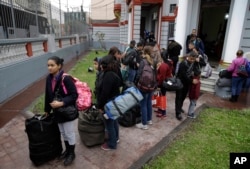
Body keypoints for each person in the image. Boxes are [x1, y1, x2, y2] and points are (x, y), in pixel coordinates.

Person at [44, 56, 78, 166]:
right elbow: (47, 95)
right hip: (57, 112)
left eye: (52, 65)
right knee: (63, 132)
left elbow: (74, 95)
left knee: (69, 133)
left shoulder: (66, 78)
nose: (49, 68)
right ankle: (67, 151)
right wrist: (47, 110)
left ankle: (72, 153)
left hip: (66, 111)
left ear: (59, 66)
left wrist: (62, 102)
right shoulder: (49, 78)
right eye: (48, 65)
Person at [97, 56, 123, 151]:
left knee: (109, 124)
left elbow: (104, 93)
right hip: (114, 101)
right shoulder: (114, 73)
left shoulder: (108, 76)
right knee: (114, 120)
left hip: (108, 103)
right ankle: (116, 138)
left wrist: (100, 106)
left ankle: (112, 144)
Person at [135, 46, 157, 130]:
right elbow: (155, 74)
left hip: (143, 86)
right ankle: (149, 119)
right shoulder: (153, 61)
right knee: (148, 102)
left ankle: (144, 124)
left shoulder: (143, 61)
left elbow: (139, 73)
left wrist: (136, 83)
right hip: (151, 85)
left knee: (143, 104)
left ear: (144, 52)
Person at [175, 52, 198, 120]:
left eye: (193, 59)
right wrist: (191, 81)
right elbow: (183, 75)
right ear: (189, 56)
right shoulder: (183, 63)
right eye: (191, 59)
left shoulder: (193, 64)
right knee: (179, 97)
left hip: (187, 83)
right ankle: (177, 113)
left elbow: (196, 71)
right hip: (180, 82)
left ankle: (179, 108)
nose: (192, 60)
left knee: (183, 97)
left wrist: (197, 62)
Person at [187, 53, 206, 118]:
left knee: (192, 102)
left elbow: (204, 63)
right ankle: (190, 113)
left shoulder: (194, 78)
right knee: (193, 102)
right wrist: (196, 96)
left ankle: (190, 112)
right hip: (194, 95)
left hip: (192, 94)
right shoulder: (196, 80)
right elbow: (196, 90)